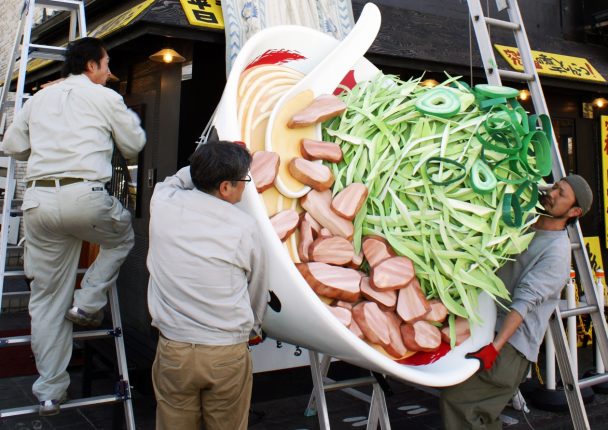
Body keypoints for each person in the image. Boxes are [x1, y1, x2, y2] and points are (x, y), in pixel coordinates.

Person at [2, 37, 146, 415]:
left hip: (39, 202)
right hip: (86, 197)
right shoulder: (105, 97)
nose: (109, 70)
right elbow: (134, 145)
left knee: (47, 300)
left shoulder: (38, 99)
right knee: (121, 238)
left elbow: (13, 146)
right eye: (107, 64)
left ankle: (49, 391)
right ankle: (88, 301)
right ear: (92, 66)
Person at [440, 174, 593, 430]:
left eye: (561, 194)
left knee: (461, 404)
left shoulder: (556, 253)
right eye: (555, 187)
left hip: (510, 345)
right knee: (481, 415)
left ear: (574, 211)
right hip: (488, 327)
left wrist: (495, 348)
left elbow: (525, 302)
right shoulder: (526, 225)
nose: (552, 194)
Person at [147, 140, 269, 430]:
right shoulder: (244, 227)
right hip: (225, 352)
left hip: (173, 348)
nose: (246, 185)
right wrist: (253, 329)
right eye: (244, 179)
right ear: (226, 187)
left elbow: (178, 178)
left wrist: (209, 162)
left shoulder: (163, 202)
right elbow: (257, 289)